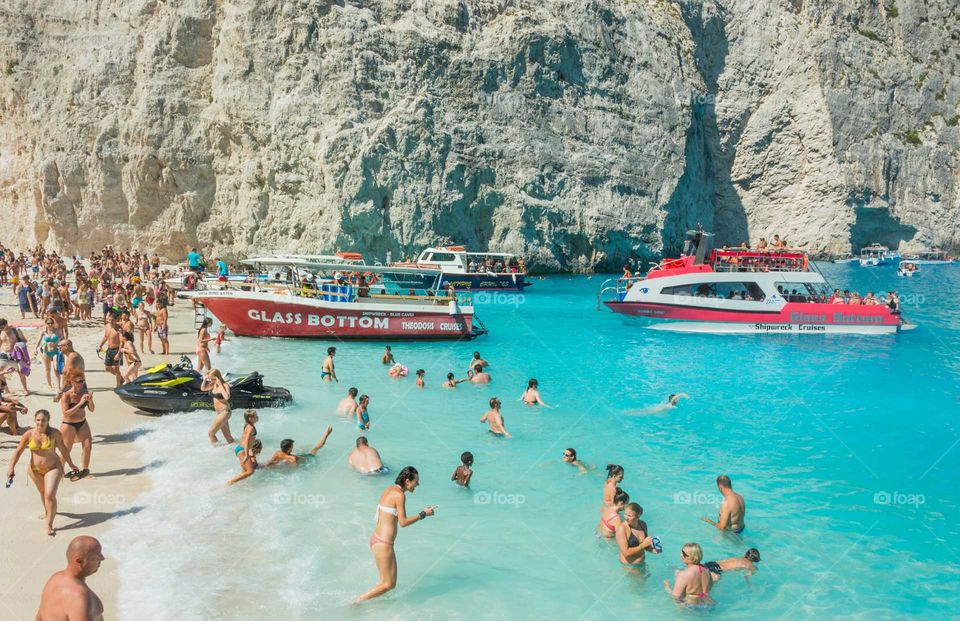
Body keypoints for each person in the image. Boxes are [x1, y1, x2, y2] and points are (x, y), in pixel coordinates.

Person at [356, 467, 436, 602]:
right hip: (384, 543)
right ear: (407, 481)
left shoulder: (389, 490)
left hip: (376, 540)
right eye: (416, 481)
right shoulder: (400, 495)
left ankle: (375, 608)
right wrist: (423, 514)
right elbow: (403, 522)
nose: (418, 484)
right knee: (389, 584)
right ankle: (357, 601)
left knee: (382, 581)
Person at [6, 410, 79, 535]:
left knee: (49, 494)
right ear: (35, 420)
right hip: (35, 470)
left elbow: (63, 449)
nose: (40, 422)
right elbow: (18, 451)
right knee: (42, 492)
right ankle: (48, 512)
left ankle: (49, 524)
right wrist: (11, 467)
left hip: (53, 467)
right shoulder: (29, 434)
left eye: (43, 420)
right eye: (38, 420)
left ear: (48, 421)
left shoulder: (55, 433)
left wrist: (71, 464)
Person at [35, 536, 105, 620]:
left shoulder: (54, 579)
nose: (102, 558)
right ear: (79, 561)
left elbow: (39, 618)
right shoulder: (78, 597)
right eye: (96, 556)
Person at [59, 374, 94, 481]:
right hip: (68, 424)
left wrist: (90, 400)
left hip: (82, 422)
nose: (82, 383)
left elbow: (92, 409)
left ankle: (85, 471)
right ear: (72, 382)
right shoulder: (66, 395)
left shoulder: (85, 393)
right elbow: (65, 414)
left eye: (83, 381)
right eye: (79, 381)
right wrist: (81, 403)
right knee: (66, 450)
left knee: (88, 446)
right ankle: (59, 471)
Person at [266, 426, 333, 466]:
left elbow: (270, 461)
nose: (293, 447)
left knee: (314, 449)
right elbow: (295, 467)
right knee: (315, 448)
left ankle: (326, 435)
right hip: (306, 458)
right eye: (292, 446)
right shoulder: (293, 458)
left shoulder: (277, 453)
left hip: (300, 457)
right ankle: (326, 435)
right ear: (289, 449)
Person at [616, 502, 656, 569]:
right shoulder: (622, 529)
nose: (626, 518)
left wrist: (652, 549)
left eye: (629, 516)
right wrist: (643, 545)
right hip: (629, 566)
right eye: (625, 514)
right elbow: (626, 552)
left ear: (638, 516)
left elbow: (645, 544)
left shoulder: (643, 525)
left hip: (641, 563)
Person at [201, 369, 234, 445]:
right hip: (219, 413)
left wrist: (220, 385)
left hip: (225, 412)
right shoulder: (213, 385)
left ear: (217, 377)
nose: (211, 380)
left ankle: (216, 450)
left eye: (212, 379)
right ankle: (234, 449)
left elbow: (226, 397)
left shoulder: (225, 385)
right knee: (228, 438)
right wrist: (205, 380)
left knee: (210, 433)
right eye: (210, 379)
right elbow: (203, 389)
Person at [35, 318, 64, 390]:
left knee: (56, 369)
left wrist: (63, 349)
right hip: (46, 351)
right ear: (46, 324)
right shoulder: (43, 332)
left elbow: (62, 340)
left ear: (53, 323)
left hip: (55, 351)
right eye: (48, 323)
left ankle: (58, 386)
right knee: (47, 369)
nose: (50, 324)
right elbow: (38, 341)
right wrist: (35, 349)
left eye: (51, 323)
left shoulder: (58, 331)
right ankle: (49, 385)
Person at [97, 313, 123, 388]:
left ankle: (118, 386)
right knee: (107, 368)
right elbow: (105, 337)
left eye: (113, 320)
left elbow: (122, 342)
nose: (111, 322)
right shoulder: (107, 326)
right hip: (109, 350)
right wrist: (100, 346)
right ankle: (120, 378)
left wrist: (119, 353)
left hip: (117, 350)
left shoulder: (119, 329)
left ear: (116, 320)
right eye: (109, 320)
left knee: (116, 369)